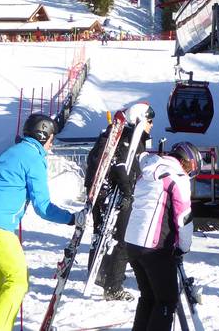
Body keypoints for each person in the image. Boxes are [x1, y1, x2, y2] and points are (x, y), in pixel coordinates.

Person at [0, 113, 82, 331]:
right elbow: (43, 207)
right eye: (52, 138)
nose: (51, 144)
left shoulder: (12, 151)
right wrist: (72, 218)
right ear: (43, 136)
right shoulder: (34, 158)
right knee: (17, 281)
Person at [122, 141, 200, 331]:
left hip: (133, 242)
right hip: (155, 246)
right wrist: (184, 246)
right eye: (191, 169)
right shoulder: (177, 177)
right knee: (166, 300)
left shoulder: (147, 172)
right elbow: (184, 218)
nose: (190, 174)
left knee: (149, 297)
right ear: (186, 161)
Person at [86, 101, 155, 301]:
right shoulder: (128, 138)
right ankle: (113, 286)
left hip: (103, 194)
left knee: (102, 234)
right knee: (122, 240)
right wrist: (127, 193)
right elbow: (121, 166)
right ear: (140, 120)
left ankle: (100, 274)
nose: (151, 125)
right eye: (149, 121)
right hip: (117, 195)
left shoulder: (117, 134)